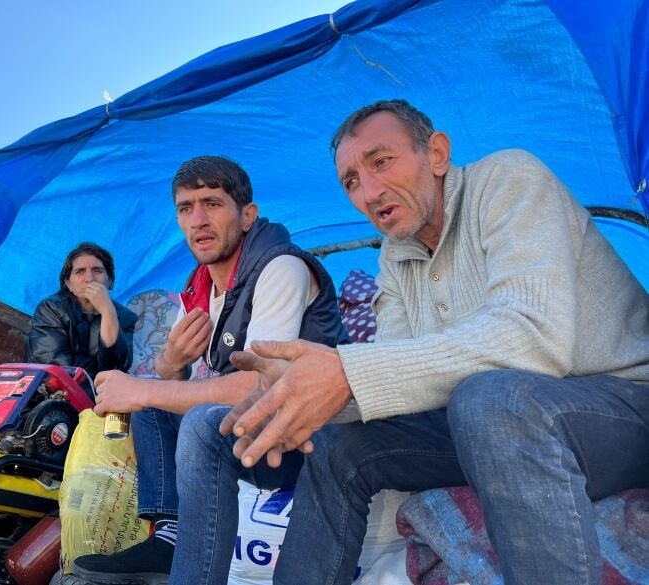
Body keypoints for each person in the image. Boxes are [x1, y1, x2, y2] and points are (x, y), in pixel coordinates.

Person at [180, 99, 649, 585]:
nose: (369, 191)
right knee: (336, 443)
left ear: (438, 155)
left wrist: (345, 372)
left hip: (622, 408)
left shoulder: (510, 180)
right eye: (352, 182)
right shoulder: (396, 255)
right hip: (488, 423)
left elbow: (532, 340)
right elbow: (397, 383)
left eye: (381, 161)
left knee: (490, 398)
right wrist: (302, 399)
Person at [71, 155, 348, 584]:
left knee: (188, 415)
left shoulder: (280, 268)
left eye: (213, 203)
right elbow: (176, 384)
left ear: (247, 215)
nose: (198, 219)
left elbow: (263, 386)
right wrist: (170, 364)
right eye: (186, 208)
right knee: (155, 400)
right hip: (254, 430)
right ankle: (169, 535)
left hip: (304, 435)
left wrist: (144, 389)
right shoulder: (200, 289)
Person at [26, 242, 137, 381]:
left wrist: (108, 312)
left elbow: (119, 366)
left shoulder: (126, 317)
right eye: (80, 271)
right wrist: (99, 372)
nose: (89, 279)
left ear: (109, 280)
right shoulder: (51, 308)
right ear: (68, 283)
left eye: (97, 270)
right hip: (56, 394)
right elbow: (55, 364)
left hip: (105, 395)